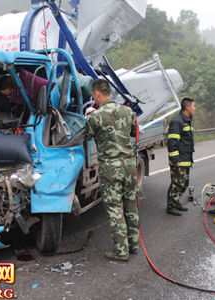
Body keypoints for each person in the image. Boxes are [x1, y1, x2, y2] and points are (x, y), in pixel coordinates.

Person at [85, 79, 139, 262]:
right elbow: (132, 132)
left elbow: (86, 136)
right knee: (130, 205)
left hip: (111, 169)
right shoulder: (128, 111)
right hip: (130, 166)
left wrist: (88, 116)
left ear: (97, 94)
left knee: (115, 209)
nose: (94, 98)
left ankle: (121, 251)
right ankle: (133, 244)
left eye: (93, 95)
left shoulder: (95, 116)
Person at [166, 97, 196, 216]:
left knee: (184, 183)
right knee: (177, 183)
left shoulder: (186, 120)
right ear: (188, 108)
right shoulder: (177, 121)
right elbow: (172, 142)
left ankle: (176, 201)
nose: (195, 108)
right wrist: (175, 160)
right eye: (193, 106)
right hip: (179, 160)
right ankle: (171, 206)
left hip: (186, 158)